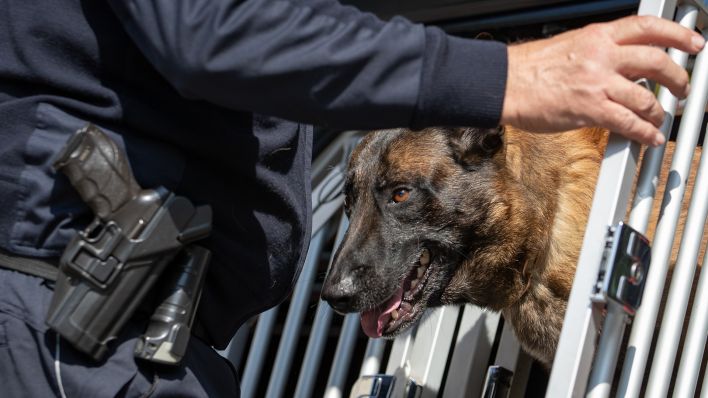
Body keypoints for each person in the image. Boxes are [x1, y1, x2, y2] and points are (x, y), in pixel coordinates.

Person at [0, 0, 702, 397]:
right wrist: (498, 75)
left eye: (398, 194)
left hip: (125, 326)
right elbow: (208, 29)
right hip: (79, 316)